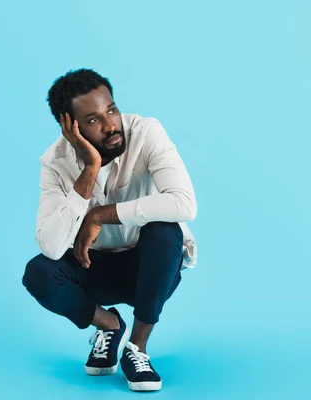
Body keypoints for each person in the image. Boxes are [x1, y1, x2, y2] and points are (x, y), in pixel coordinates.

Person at [22, 68, 198, 392]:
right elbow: (50, 246)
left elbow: (185, 203)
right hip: (91, 268)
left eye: (111, 110)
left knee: (165, 231)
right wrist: (89, 170)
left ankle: (137, 348)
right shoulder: (55, 163)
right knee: (37, 273)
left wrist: (100, 215)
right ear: (69, 126)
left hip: (148, 269)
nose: (110, 126)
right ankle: (109, 325)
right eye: (93, 120)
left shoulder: (146, 133)